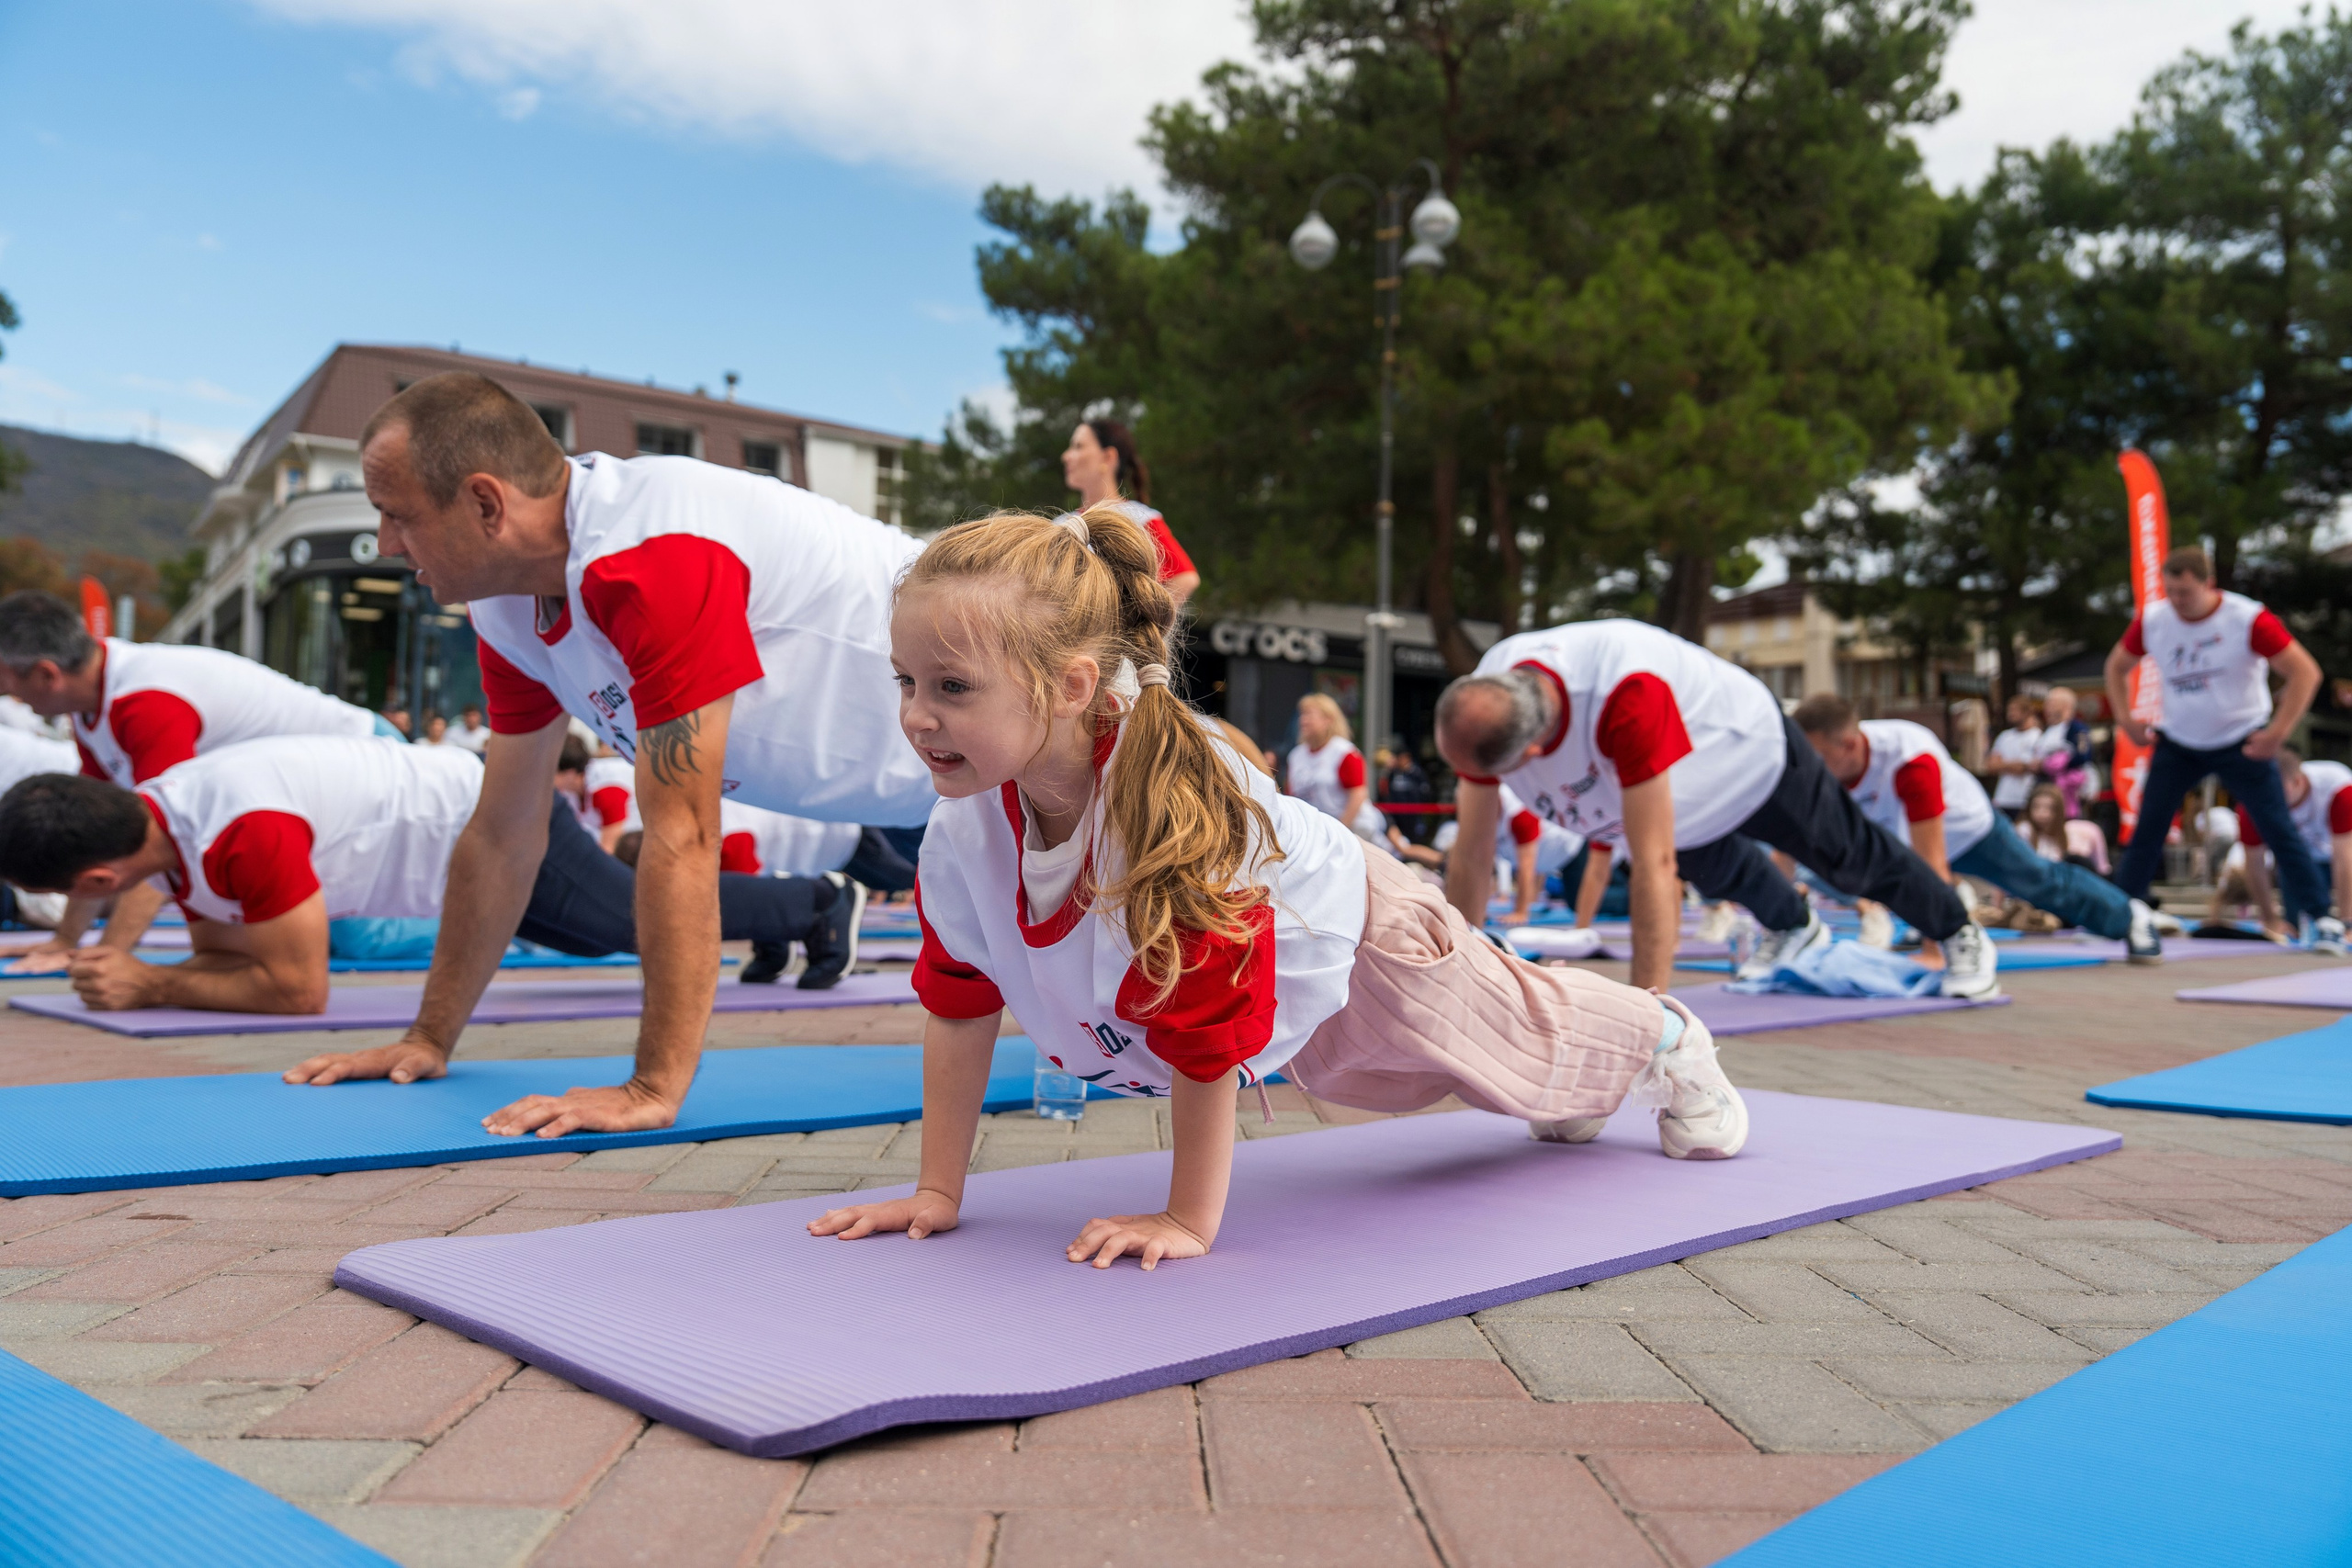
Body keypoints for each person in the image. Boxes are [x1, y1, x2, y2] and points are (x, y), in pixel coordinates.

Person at [804, 505, 1747, 1272]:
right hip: (1293, 975)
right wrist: (938, 1192)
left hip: (1370, 934)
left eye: (952, 687)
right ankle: (1575, 1065)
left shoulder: (1168, 805)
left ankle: (1666, 1031)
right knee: (1474, 1075)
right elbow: (960, 1003)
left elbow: (1205, 1029)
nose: (916, 716)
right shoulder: (966, 829)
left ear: (1068, 685)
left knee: (1513, 1031)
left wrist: (1188, 1218)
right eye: (906, 680)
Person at [283, 372, 937, 1135]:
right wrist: (427, 1038)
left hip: (1053, 706)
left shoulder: (650, 554)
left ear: (486, 504)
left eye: (400, 517)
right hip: (929, 781)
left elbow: (684, 835)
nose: (389, 543)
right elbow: (503, 831)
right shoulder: (505, 609)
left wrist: (651, 1086)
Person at [0, 737, 863, 1019]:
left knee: (624, 925)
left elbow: (296, 989)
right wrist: (169, 979)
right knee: (614, 924)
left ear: (101, 877)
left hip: (488, 814)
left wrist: (149, 981)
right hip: (458, 836)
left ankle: (820, 900)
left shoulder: (236, 828)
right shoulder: (171, 827)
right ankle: (799, 913)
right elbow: (232, 967)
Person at [1434, 620, 1997, 998]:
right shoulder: (1487, 699)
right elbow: (1472, 853)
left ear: (1530, 755)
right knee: (1716, 867)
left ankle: (1959, 930)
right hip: (1677, 781)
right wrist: (1454, 975)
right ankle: (1793, 926)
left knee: (1848, 857)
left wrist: (1648, 1019)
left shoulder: (1625, 696)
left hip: (1750, 750)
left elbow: (1653, 867)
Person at [0, 590, 390, 971]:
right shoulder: (90, 707)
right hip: (309, 793)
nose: (9, 696)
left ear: (45, 674)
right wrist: (66, 942)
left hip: (373, 761)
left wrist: (109, 957)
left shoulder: (146, 703)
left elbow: (151, 841)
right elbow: (91, 838)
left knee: (350, 938)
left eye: (7, 683)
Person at [1793, 695, 2160, 960]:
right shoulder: (1821, 766)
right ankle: (1937, 920)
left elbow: (1931, 863)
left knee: (2037, 881)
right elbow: (1788, 842)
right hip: (1900, 833)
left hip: (1967, 830)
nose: (1814, 768)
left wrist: (1937, 954)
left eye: (1820, 758)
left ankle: (2130, 916)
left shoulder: (1910, 761)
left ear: (1849, 744)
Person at [2105, 545, 2339, 947]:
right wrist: (2127, 721)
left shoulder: (2246, 618)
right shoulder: (2155, 620)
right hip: (2178, 739)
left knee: (2277, 828)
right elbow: (2116, 666)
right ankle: (2122, 912)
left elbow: (2305, 672)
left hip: (2240, 739)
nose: (2178, 602)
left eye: (2187, 593)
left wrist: (2277, 732)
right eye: (2171, 592)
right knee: (2149, 827)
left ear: (2208, 584)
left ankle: (2323, 918)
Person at [1061, 419, 1200, 612]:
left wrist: (1136, 627)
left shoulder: (1138, 519)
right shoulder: (1059, 524)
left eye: (1078, 446)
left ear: (1108, 456)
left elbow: (1185, 578)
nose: (1066, 456)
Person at [2238, 747, 2352, 939]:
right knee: (2293, 921)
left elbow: (2345, 857)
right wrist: (2270, 919)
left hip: (2338, 852)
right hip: (2299, 861)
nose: (2272, 799)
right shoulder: (2254, 802)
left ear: (2298, 781)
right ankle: (2295, 925)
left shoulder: (2338, 788)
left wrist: (2348, 922)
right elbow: (2254, 863)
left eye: (2278, 792)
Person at [1286, 693, 1390, 850]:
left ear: (1328, 719)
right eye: (1302, 714)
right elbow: (1291, 796)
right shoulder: (1296, 756)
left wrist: (1339, 832)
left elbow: (1358, 794)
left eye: (1309, 715)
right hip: (1315, 835)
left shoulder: (1343, 752)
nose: (1303, 720)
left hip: (1353, 832)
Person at [2019, 784, 2110, 875]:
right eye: (2037, 807)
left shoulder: (2070, 834)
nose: (2042, 813)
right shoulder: (2024, 831)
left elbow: (2103, 869)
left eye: (2050, 808)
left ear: (2059, 811)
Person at [2034, 686, 2096, 817]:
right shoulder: (2048, 730)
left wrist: (2054, 764)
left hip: (2069, 791)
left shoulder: (2076, 728)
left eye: (2051, 704)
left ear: (2066, 706)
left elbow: (2083, 755)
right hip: (2047, 788)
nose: (2047, 708)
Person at [1986, 694, 2042, 817]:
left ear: (2027, 712)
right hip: (2002, 798)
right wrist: (2018, 764)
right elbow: (1991, 766)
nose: (2010, 714)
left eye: (2015, 710)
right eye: (2009, 710)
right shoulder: (2004, 736)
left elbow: (2026, 768)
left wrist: (2003, 764)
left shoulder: (2038, 736)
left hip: (2025, 799)